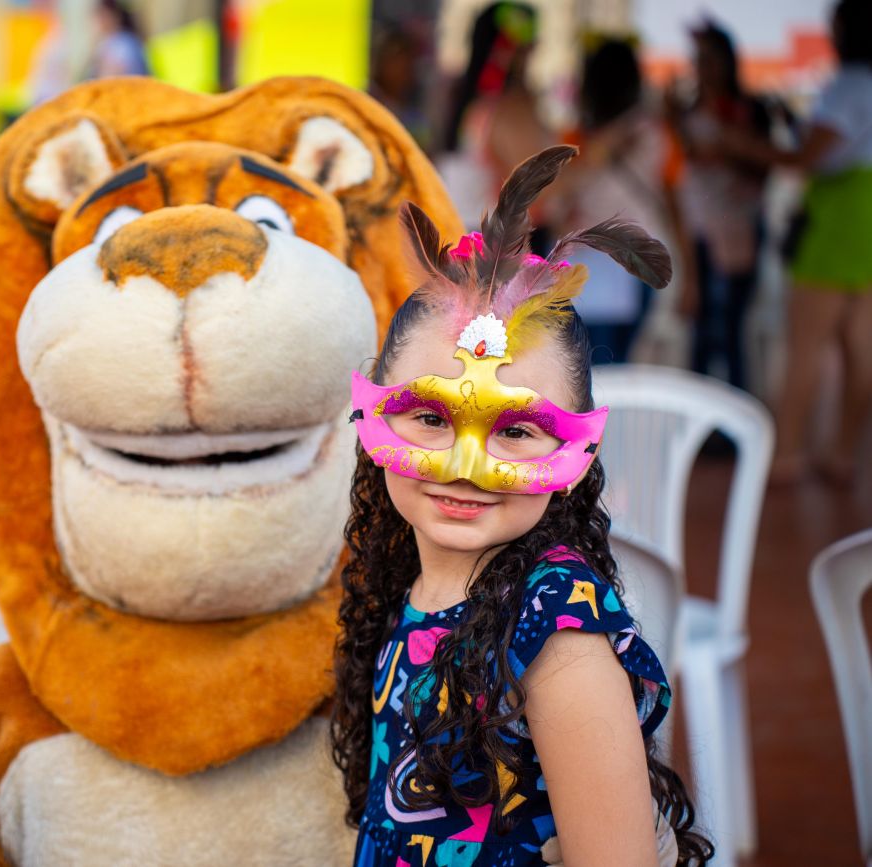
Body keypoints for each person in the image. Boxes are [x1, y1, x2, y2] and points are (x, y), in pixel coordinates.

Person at [331, 148, 713, 866]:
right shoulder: (406, 577)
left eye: (516, 430)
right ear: (374, 412)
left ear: (579, 451)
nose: (465, 466)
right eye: (430, 418)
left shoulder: (557, 636)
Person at [726, 0, 872, 484]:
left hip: (836, 224)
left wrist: (740, 144)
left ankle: (785, 455)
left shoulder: (847, 85)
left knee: (806, 347)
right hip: (864, 221)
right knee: (860, 348)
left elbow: (805, 158)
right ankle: (843, 455)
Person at [555, 37, 688, 364]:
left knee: (587, 364)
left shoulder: (575, 139)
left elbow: (556, 198)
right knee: (622, 360)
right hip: (639, 258)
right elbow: (674, 204)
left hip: (587, 259)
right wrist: (690, 274)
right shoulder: (658, 135)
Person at [671, 20, 771, 390]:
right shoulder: (685, 113)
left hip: (738, 232)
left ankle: (733, 410)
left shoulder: (749, 111)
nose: (703, 68)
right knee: (701, 331)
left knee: (730, 331)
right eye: (699, 59)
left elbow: (765, 167)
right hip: (699, 232)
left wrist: (727, 149)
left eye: (710, 59)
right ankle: (700, 411)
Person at [440, 2, 554, 228]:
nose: (532, 54)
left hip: (458, 234)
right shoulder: (510, 107)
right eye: (527, 48)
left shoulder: (461, 99)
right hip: (492, 239)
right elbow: (538, 191)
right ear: (508, 52)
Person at [87, 0, 149, 80]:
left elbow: (111, 77)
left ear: (114, 16)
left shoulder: (123, 44)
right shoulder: (109, 41)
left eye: (103, 16)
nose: (99, 22)